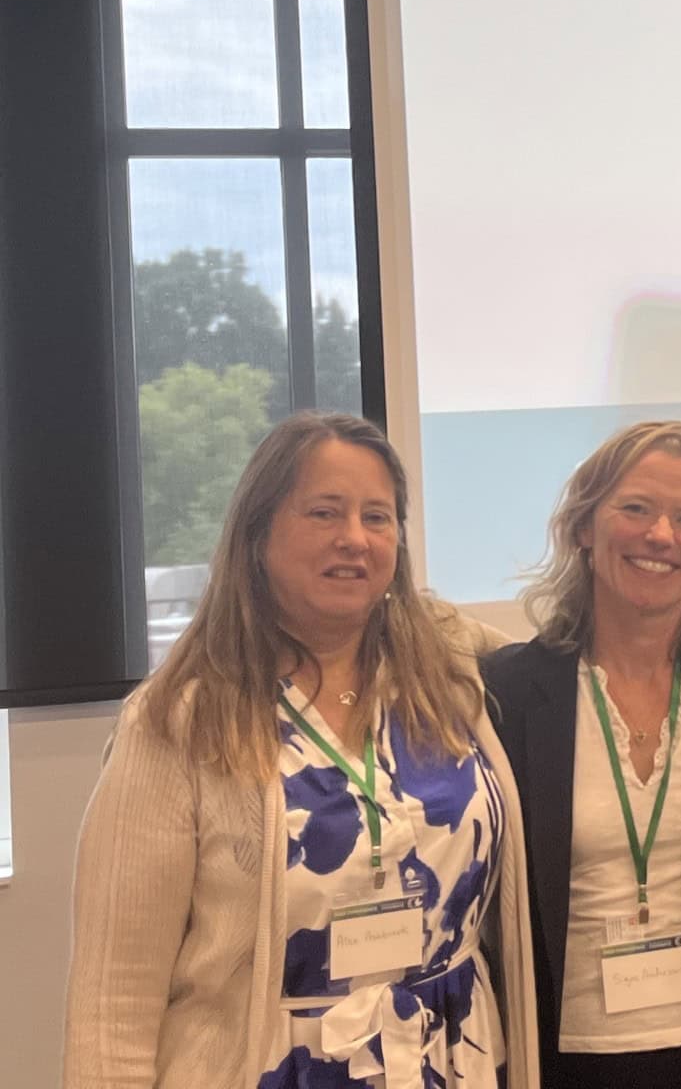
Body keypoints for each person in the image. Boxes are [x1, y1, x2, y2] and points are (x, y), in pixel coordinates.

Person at [61, 411, 537, 1089]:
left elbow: (586, 655)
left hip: (452, 1062)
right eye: (323, 513)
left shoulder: (447, 659)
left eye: (378, 517)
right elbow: (114, 1004)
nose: (354, 539)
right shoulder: (177, 723)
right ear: (258, 534)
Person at [483, 421, 681, 1089]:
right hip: (566, 1056)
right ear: (583, 527)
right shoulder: (510, 691)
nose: (660, 535)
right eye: (635, 508)